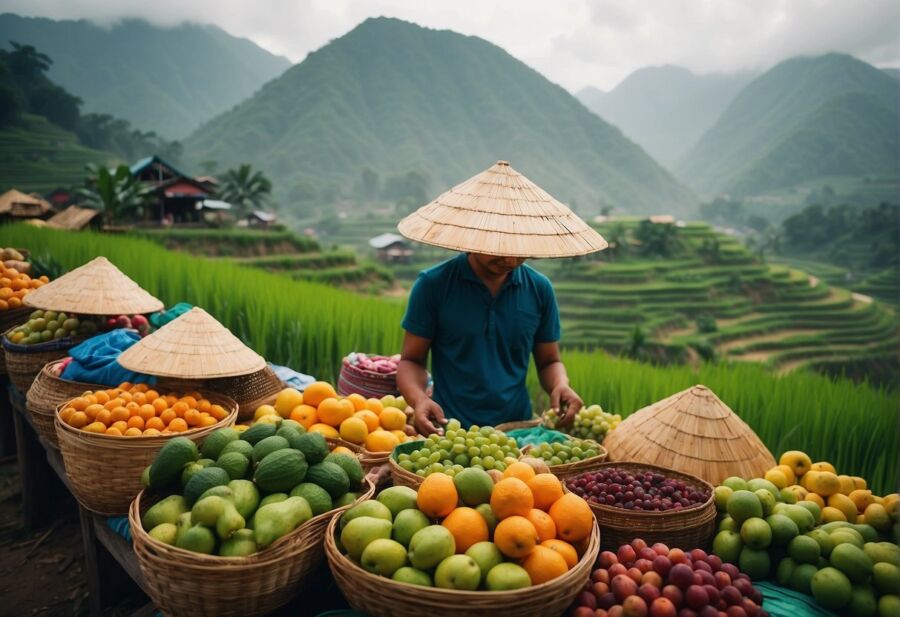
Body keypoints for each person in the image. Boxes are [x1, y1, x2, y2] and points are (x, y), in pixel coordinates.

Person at [397, 251, 584, 435]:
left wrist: (560, 384)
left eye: (520, 251)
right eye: (501, 248)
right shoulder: (434, 284)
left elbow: (549, 361)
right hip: (450, 431)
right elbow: (411, 360)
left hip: (518, 431)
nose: (510, 260)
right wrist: (419, 400)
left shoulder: (539, 288)